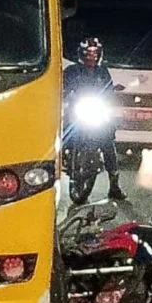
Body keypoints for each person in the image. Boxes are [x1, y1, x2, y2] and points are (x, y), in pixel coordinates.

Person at [63, 37, 126, 200]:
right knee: (62, 133)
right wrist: (66, 94)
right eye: (88, 53)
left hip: (97, 111)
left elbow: (108, 89)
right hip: (77, 111)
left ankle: (114, 184)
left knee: (107, 140)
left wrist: (113, 91)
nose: (91, 57)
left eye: (95, 53)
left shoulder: (102, 72)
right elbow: (62, 86)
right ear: (82, 54)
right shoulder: (71, 71)